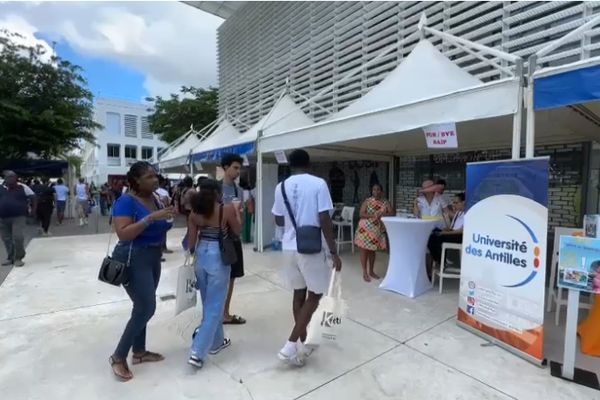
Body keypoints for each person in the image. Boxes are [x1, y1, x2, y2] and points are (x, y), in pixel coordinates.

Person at [272, 149, 342, 366]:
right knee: (316, 294)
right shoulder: (318, 184)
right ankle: (291, 343)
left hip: (288, 246)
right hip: (311, 248)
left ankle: (302, 343)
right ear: (308, 164)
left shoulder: (280, 186)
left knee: (298, 294)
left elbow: (279, 221)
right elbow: (324, 218)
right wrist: (333, 251)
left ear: (290, 165)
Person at [109, 161, 174, 382]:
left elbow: (162, 226)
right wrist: (151, 218)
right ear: (136, 180)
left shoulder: (155, 198)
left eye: (155, 176)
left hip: (153, 256)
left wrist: (167, 215)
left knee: (142, 306)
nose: (155, 180)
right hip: (133, 257)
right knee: (146, 307)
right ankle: (118, 357)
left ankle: (139, 352)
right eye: (149, 177)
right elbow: (124, 234)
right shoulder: (125, 202)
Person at [186, 180, 241, 368]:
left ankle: (216, 342)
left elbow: (191, 242)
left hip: (201, 255)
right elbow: (237, 230)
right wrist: (237, 213)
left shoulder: (194, 212)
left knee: (209, 303)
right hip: (218, 256)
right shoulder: (225, 209)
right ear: (218, 193)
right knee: (215, 305)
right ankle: (197, 351)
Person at [220, 153, 246, 325]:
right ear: (225, 167)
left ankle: (225, 313)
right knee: (218, 277)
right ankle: (217, 312)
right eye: (235, 167)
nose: (238, 171)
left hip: (233, 238)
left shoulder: (239, 191)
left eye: (239, 168)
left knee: (231, 277)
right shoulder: (215, 189)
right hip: (217, 238)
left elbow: (240, 217)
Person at [354, 183, 394, 282]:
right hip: (364, 229)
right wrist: (374, 215)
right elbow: (361, 214)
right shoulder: (367, 201)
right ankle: (365, 272)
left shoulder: (385, 202)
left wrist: (382, 214)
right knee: (363, 250)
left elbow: (392, 213)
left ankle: (371, 271)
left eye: (378, 190)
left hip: (376, 230)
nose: (376, 192)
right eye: (374, 190)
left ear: (382, 191)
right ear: (372, 191)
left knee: (372, 250)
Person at [0, 171, 36, 267]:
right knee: (6, 238)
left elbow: (33, 197)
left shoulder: (23, 187)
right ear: (5, 178)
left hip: (18, 216)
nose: (10, 178)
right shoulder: (1, 187)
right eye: (8, 177)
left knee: (17, 237)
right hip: (3, 218)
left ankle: (18, 258)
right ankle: (10, 257)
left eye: (12, 177)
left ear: (16, 178)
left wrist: (33, 210)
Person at [427, 193, 465, 266]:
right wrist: (445, 230)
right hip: (452, 233)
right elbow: (452, 227)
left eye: (456, 203)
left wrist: (444, 233)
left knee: (437, 238)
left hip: (459, 236)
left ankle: (442, 261)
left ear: (463, 202)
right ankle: (439, 259)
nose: (454, 205)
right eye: (453, 202)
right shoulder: (458, 213)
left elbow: (461, 231)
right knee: (432, 233)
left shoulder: (467, 214)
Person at [155, 175, 173, 255]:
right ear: (162, 182)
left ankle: (158, 249)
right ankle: (163, 247)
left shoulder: (150, 191)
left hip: (154, 213)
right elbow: (167, 203)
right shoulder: (164, 192)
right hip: (163, 213)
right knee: (163, 231)